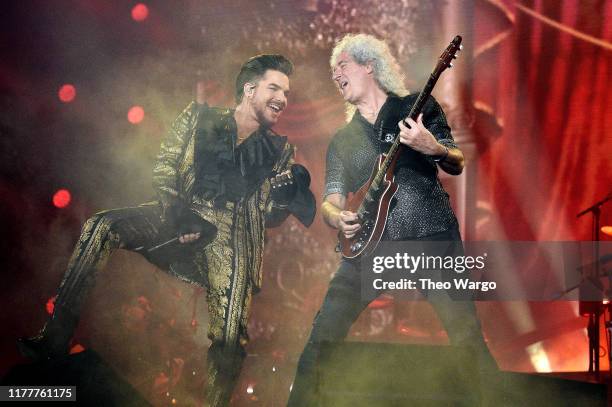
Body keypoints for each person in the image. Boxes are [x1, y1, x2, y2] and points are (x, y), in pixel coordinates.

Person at [18, 54, 316, 407]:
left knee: (230, 336)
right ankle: (54, 340)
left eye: (286, 91)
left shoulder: (281, 150)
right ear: (249, 89)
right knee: (100, 225)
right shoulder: (198, 117)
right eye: (275, 87)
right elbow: (165, 167)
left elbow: (268, 214)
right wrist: (179, 216)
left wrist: (287, 196)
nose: (283, 98)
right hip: (179, 213)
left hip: (232, 237)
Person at [287, 34, 496, 406]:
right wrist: (339, 218)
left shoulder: (416, 107)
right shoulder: (343, 140)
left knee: (466, 337)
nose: (336, 73)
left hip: (431, 240)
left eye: (343, 65)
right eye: (333, 69)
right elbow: (330, 200)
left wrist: (429, 146)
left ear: (370, 65)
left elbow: (457, 161)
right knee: (322, 339)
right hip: (368, 250)